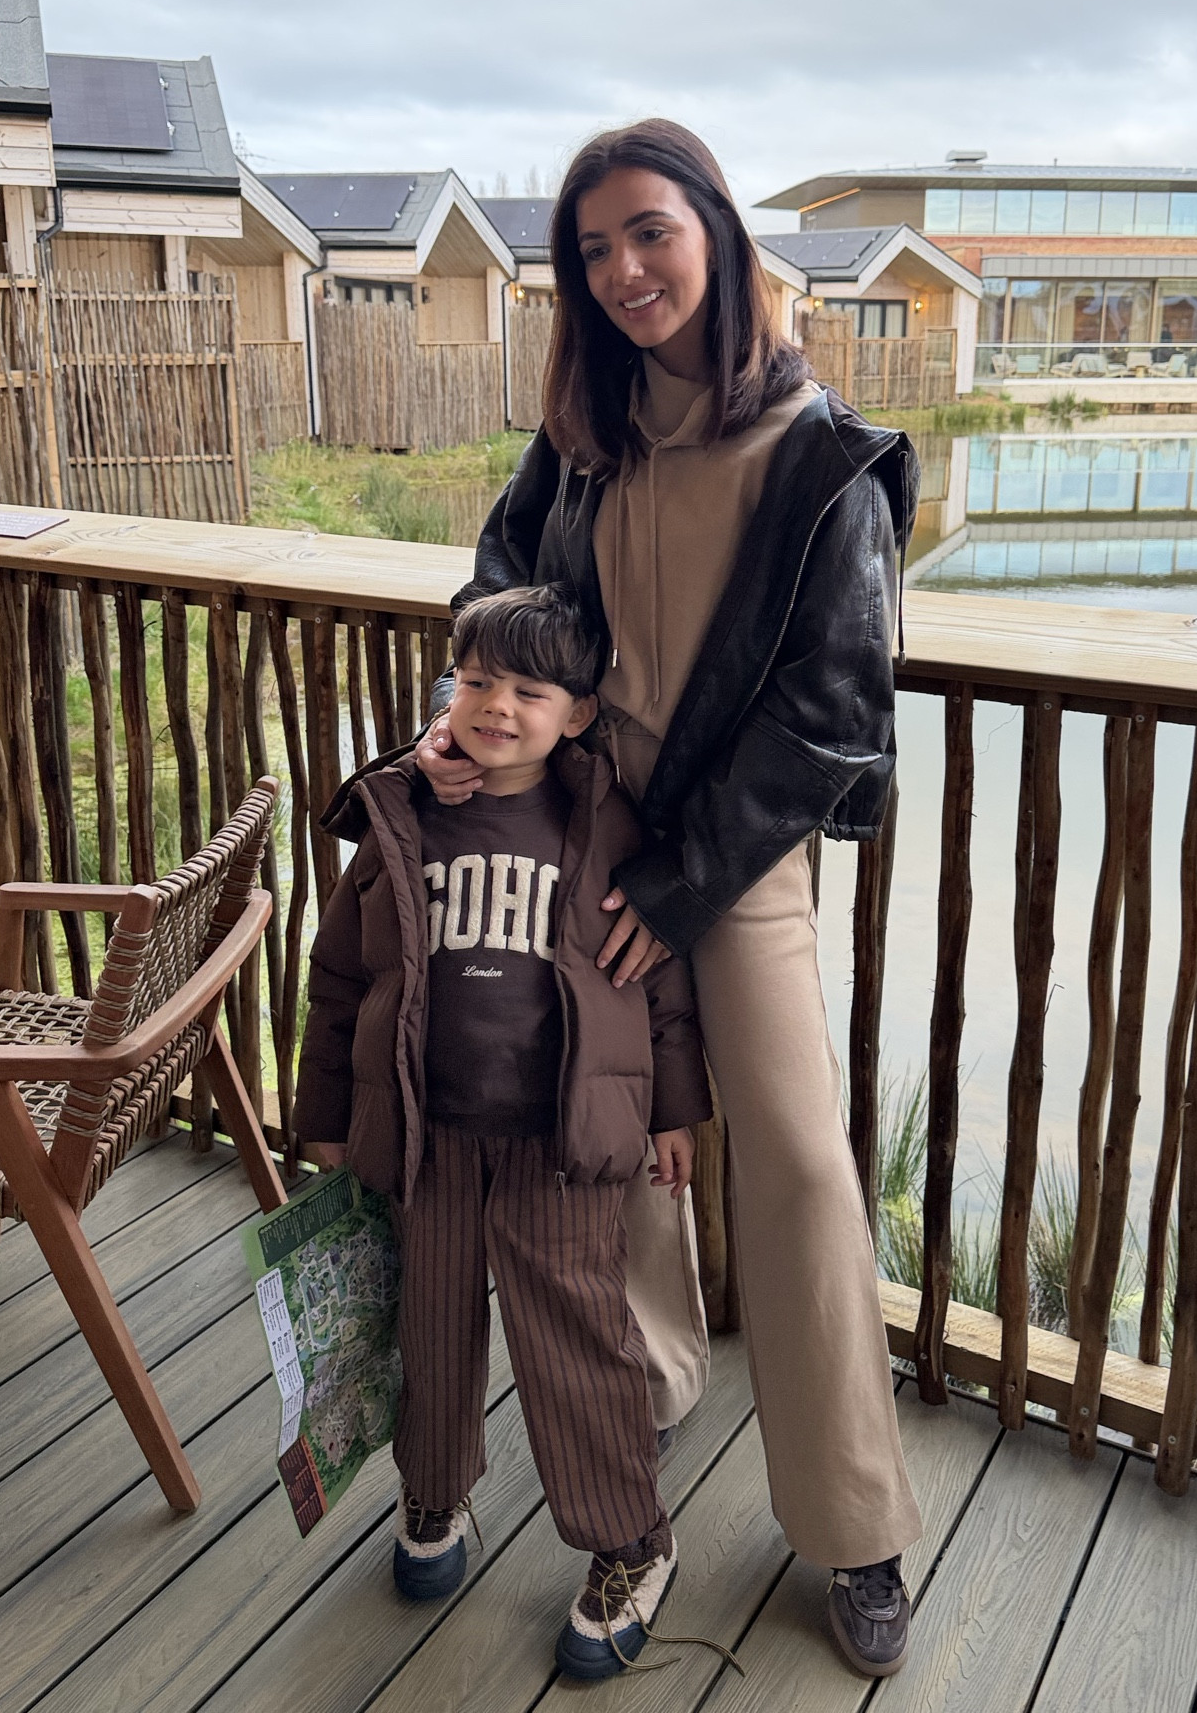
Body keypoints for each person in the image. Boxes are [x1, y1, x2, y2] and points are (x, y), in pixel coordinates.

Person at [415, 118, 924, 1678]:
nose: (624, 270)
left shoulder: (819, 454)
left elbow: (834, 708)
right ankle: (640, 1401)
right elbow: (497, 590)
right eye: (593, 250)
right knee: (609, 1124)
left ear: (713, 230)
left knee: (795, 1161)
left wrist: (686, 873)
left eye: (649, 231)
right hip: (578, 833)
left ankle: (853, 1521)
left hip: (729, 855)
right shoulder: (579, 434)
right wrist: (473, 723)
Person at [295, 584, 714, 1680]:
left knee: (577, 1342)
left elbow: (660, 986)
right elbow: (338, 978)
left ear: (579, 713)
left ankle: (633, 1540)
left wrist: (675, 1109)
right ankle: (433, 1490)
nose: (498, 706)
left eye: (530, 690)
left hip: (557, 1141)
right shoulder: (403, 816)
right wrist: (326, 1118)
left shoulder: (609, 827)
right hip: (425, 1135)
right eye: (477, 680)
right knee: (429, 1325)